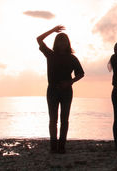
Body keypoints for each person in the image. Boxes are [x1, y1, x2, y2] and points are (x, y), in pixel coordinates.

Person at [37, 25, 84, 154]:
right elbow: (39, 39)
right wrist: (52, 30)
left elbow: (81, 73)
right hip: (52, 90)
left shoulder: (72, 58)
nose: (62, 43)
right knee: (53, 119)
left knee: (64, 119)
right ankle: (53, 146)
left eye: (64, 41)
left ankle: (62, 146)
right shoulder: (50, 55)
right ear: (56, 43)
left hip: (66, 91)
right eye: (60, 41)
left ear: (67, 43)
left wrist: (70, 82)